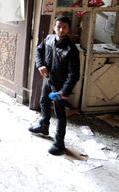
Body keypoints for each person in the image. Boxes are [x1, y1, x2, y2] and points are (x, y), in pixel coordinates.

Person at [28, 16, 81, 156]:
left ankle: (59, 143)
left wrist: (65, 91)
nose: (61, 30)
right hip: (48, 79)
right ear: (54, 27)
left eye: (64, 27)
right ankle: (43, 125)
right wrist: (40, 65)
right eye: (59, 27)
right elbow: (38, 51)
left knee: (60, 114)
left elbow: (74, 74)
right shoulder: (49, 39)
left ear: (69, 29)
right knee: (43, 101)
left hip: (60, 85)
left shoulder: (71, 49)